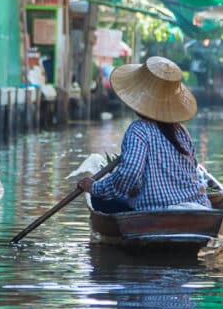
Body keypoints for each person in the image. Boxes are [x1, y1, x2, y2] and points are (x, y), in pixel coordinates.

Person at [77, 56, 209, 213]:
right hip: (198, 205)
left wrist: (95, 187)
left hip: (155, 211)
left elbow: (130, 172)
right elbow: (192, 172)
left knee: (97, 198)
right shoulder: (181, 132)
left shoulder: (138, 130)